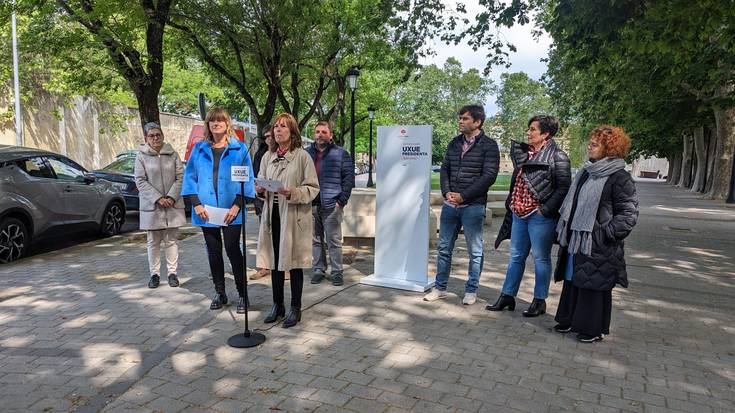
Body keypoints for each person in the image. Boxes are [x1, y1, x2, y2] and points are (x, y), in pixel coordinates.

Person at [552, 125, 638, 342]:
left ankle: (591, 329)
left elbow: (628, 214)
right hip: (576, 241)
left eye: (595, 144)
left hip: (598, 243)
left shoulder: (620, 177)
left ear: (609, 148)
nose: (589, 146)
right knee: (574, 279)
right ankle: (569, 319)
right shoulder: (585, 173)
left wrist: (604, 234)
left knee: (593, 284)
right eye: (590, 143)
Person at [488, 115, 571, 317]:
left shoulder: (558, 157)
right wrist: (511, 203)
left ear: (545, 134)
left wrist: (545, 210)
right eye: (529, 129)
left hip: (540, 216)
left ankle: (539, 301)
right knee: (516, 256)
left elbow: (563, 188)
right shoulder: (525, 154)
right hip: (518, 214)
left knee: (541, 258)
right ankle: (507, 295)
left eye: (533, 129)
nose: (528, 132)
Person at [424, 105, 500, 305]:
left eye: (465, 119)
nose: (461, 121)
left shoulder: (489, 146)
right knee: (444, 248)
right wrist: (446, 192)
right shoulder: (454, 143)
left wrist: (463, 196)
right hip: (450, 206)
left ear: (477, 122)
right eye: (460, 118)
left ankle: (471, 290)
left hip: (473, 206)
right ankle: (440, 287)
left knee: (475, 251)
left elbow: (488, 176)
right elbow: (445, 170)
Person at [182, 107, 255, 313]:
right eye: (212, 121)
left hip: (231, 210)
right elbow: (190, 178)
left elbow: (247, 179)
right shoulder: (199, 149)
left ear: (227, 124)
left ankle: (243, 294)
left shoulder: (239, 149)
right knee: (213, 252)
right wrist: (196, 204)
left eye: (220, 121)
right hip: (205, 210)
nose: (216, 124)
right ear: (208, 125)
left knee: (233, 250)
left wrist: (237, 205)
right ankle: (220, 292)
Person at [256, 113, 319, 328]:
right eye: (275, 127)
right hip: (271, 215)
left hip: (293, 217)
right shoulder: (267, 157)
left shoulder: (302, 157)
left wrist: (292, 192)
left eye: (283, 127)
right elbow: (261, 183)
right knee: (274, 262)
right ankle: (277, 305)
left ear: (292, 132)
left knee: (294, 264)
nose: (277, 130)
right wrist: (260, 189)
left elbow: (313, 189)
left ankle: (295, 308)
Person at [134, 122, 186, 289]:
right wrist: (157, 198)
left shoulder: (173, 154)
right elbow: (140, 180)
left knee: (171, 241)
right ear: (146, 138)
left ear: (163, 136)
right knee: (153, 241)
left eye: (158, 134)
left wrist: (171, 196)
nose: (155, 138)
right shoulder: (141, 156)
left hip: (172, 204)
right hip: (152, 206)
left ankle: (172, 273)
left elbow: (180, 176)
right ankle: (154, 275)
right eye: (152, 135)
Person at [306, 121, 355, 286]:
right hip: (312, 204)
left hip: (332, 205)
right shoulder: (306, 154)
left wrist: (341, 201)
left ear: (330, 135)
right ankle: (318, 269)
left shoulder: (341, 154)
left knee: (333, 241)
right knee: (315, 240)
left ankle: (337, 272)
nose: (320, 134)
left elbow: (349, 179)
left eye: (324, 132)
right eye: (318, 132)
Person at [249, 125, 272, 281]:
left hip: (280, 201)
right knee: (264, 235)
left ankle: (283, 267)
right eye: (266, 136)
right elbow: (255, 177)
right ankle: (265, 266)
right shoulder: (260, 154)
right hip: (262, 200)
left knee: (281, 236)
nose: (269, 138)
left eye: (271, 135)